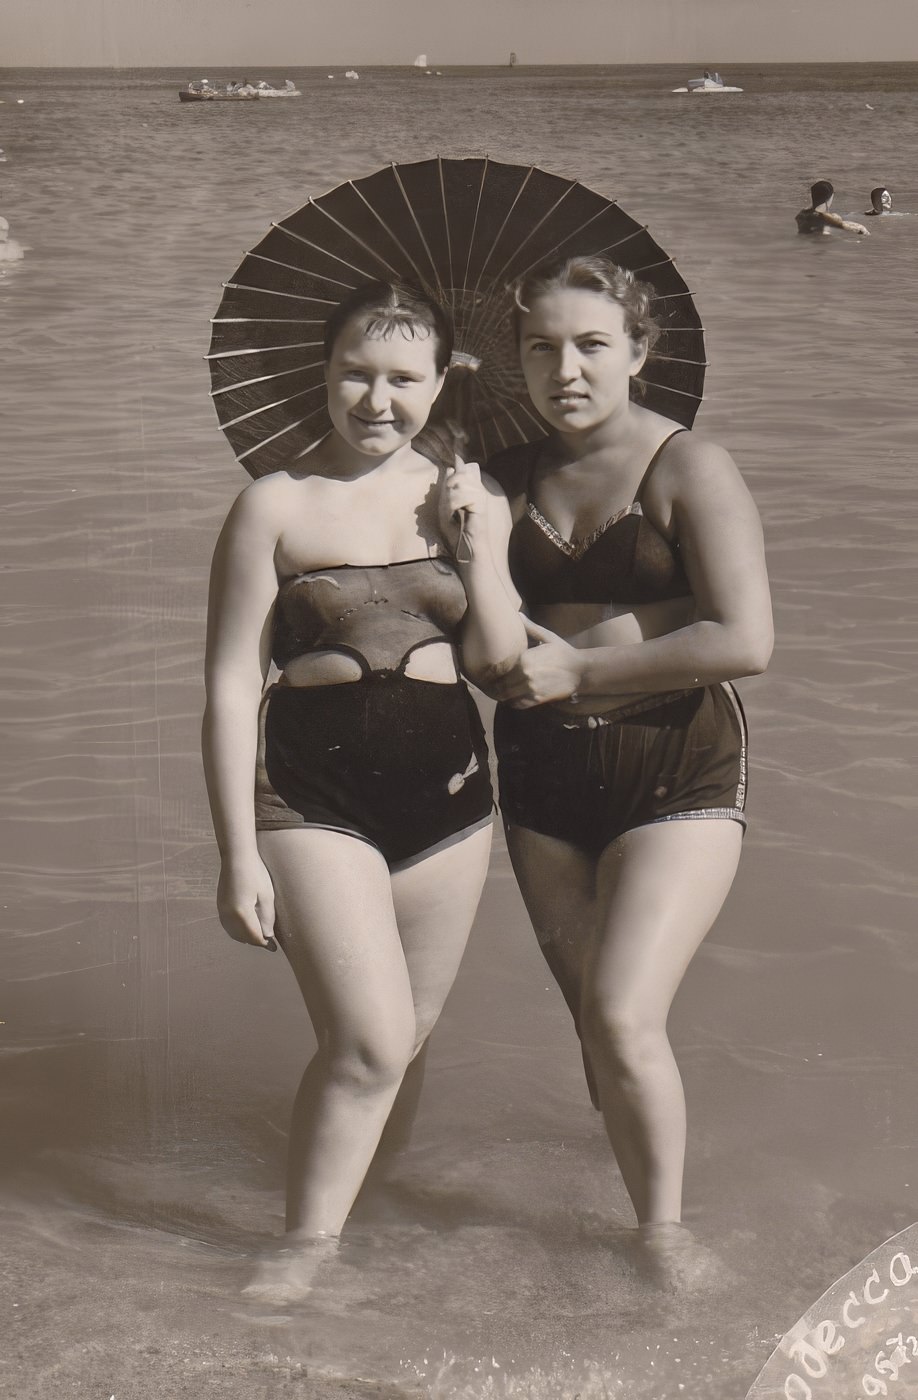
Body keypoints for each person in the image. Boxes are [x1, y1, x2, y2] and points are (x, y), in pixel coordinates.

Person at [202, 280, 525, 1302]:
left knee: (405, 1039)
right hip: (310, 798)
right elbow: (227, 683)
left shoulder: (464, 495)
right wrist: (237, 852)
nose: (375, 396)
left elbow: (496, 660)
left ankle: (361, 1210)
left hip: (453, 801)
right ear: (324, 370)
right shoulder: (276, 504)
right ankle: (301, 1249)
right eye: (355, 370)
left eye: (401, 376)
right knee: (370, 1039)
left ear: (441, 383)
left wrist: (485, 549)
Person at [486, 255, 774, 1249]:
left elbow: (746, 638)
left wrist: (583, 675)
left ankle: (665, 1244)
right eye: (541, 348)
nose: (565, 368)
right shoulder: (496, 477)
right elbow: (481, 644)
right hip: (540, 775)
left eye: (591, 345)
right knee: (594, 1026)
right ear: (514, 361)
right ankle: (616, 1194)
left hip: (676, 763)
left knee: (619, 1012)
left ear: (639, 351)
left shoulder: (693, 464)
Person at [795, 180, 869, 236]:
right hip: (822, 244)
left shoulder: (802, 214)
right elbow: (856, 230)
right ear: (829, 198)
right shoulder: (829, 218)